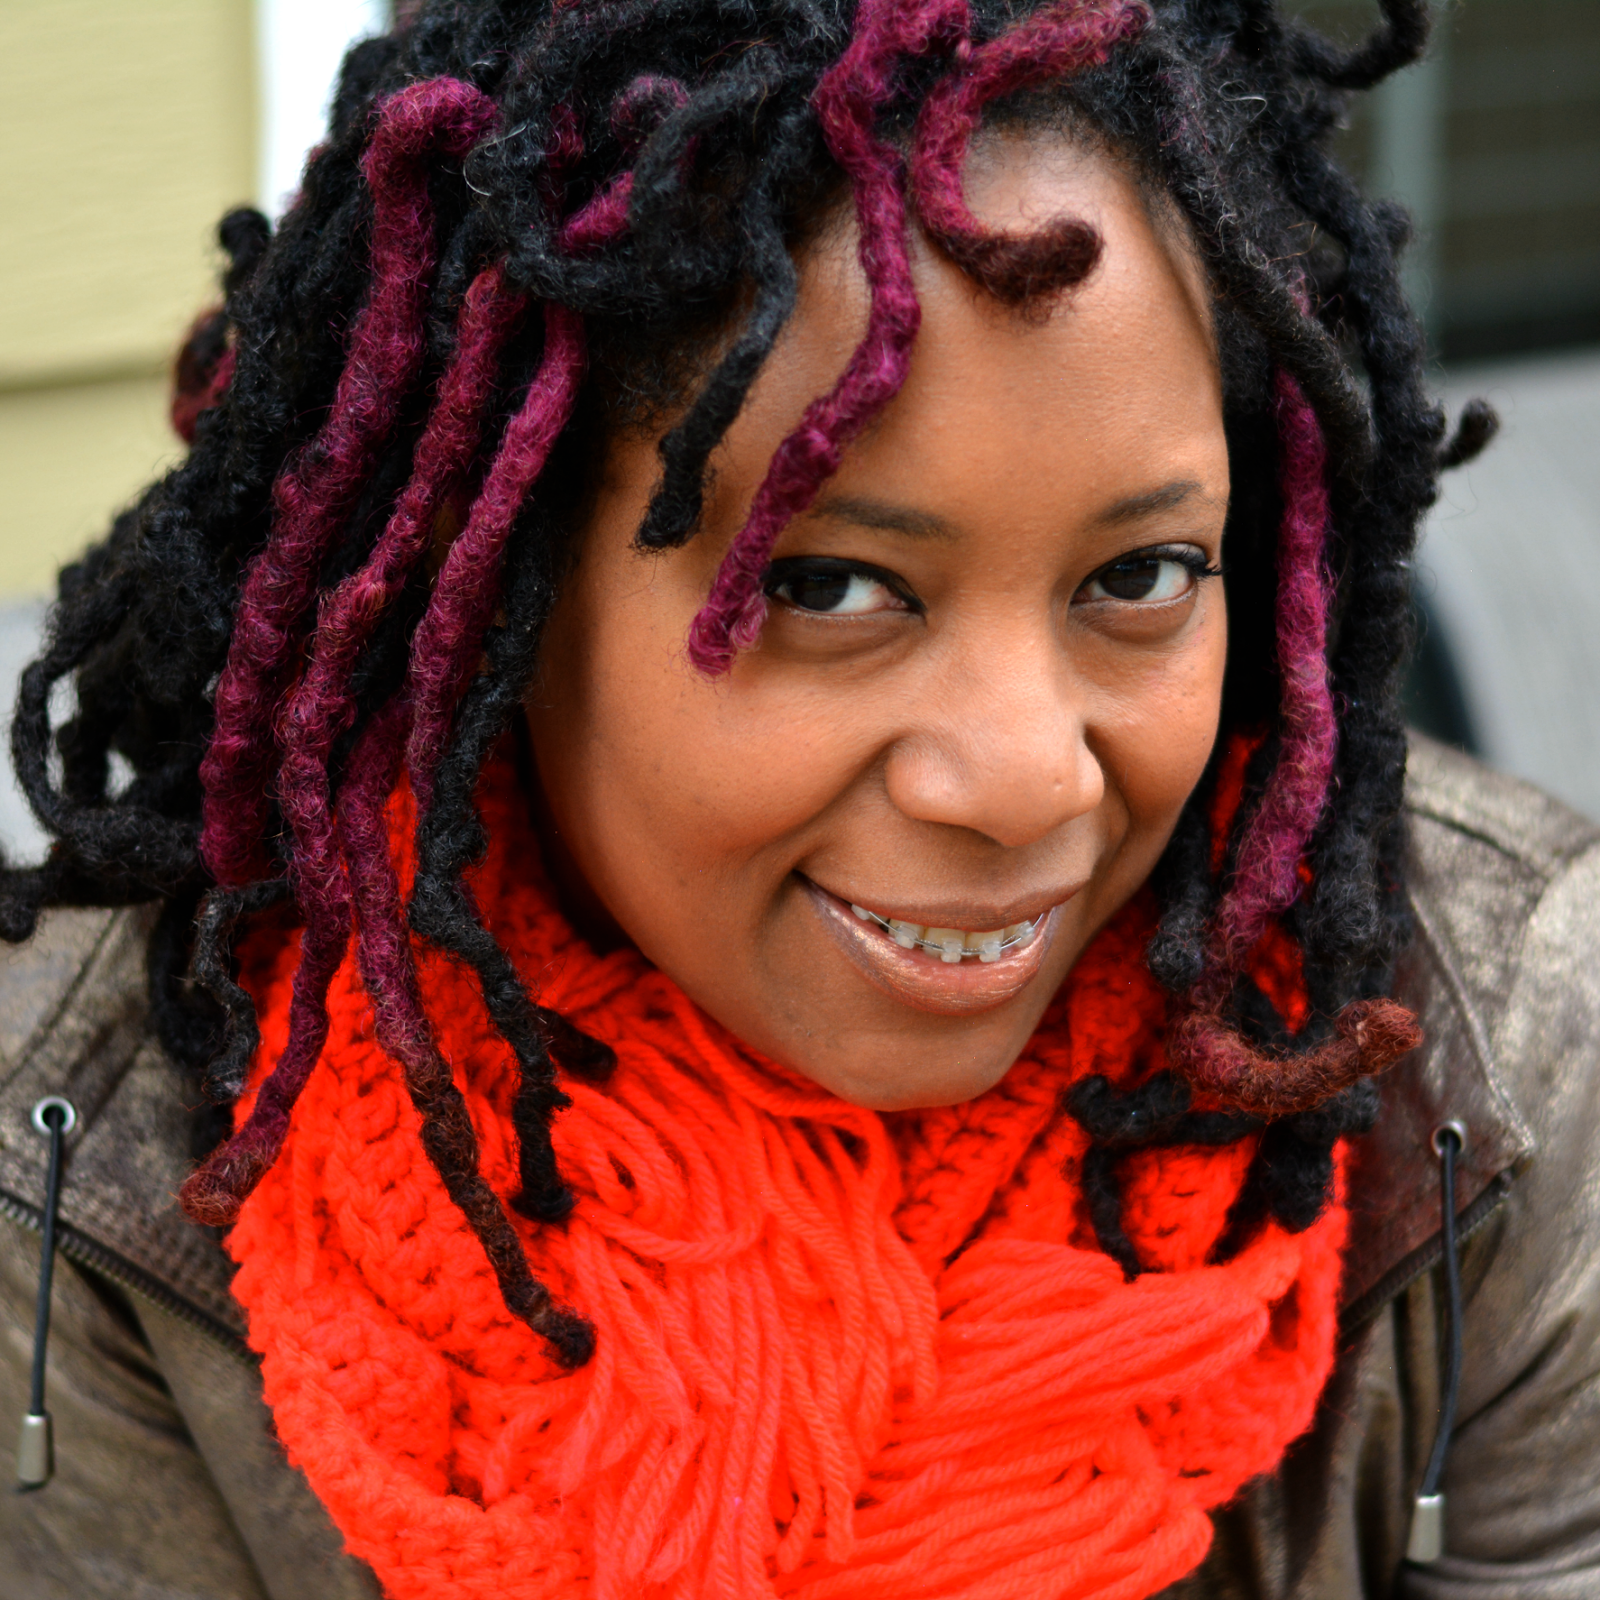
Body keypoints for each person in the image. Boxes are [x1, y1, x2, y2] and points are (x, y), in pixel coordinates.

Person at [1, 0, 1597, 1595]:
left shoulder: (1500, 1070)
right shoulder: (87, 1184)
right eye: (832, 587)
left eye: (1143, 574)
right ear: (495, 601)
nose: (1026, 775)